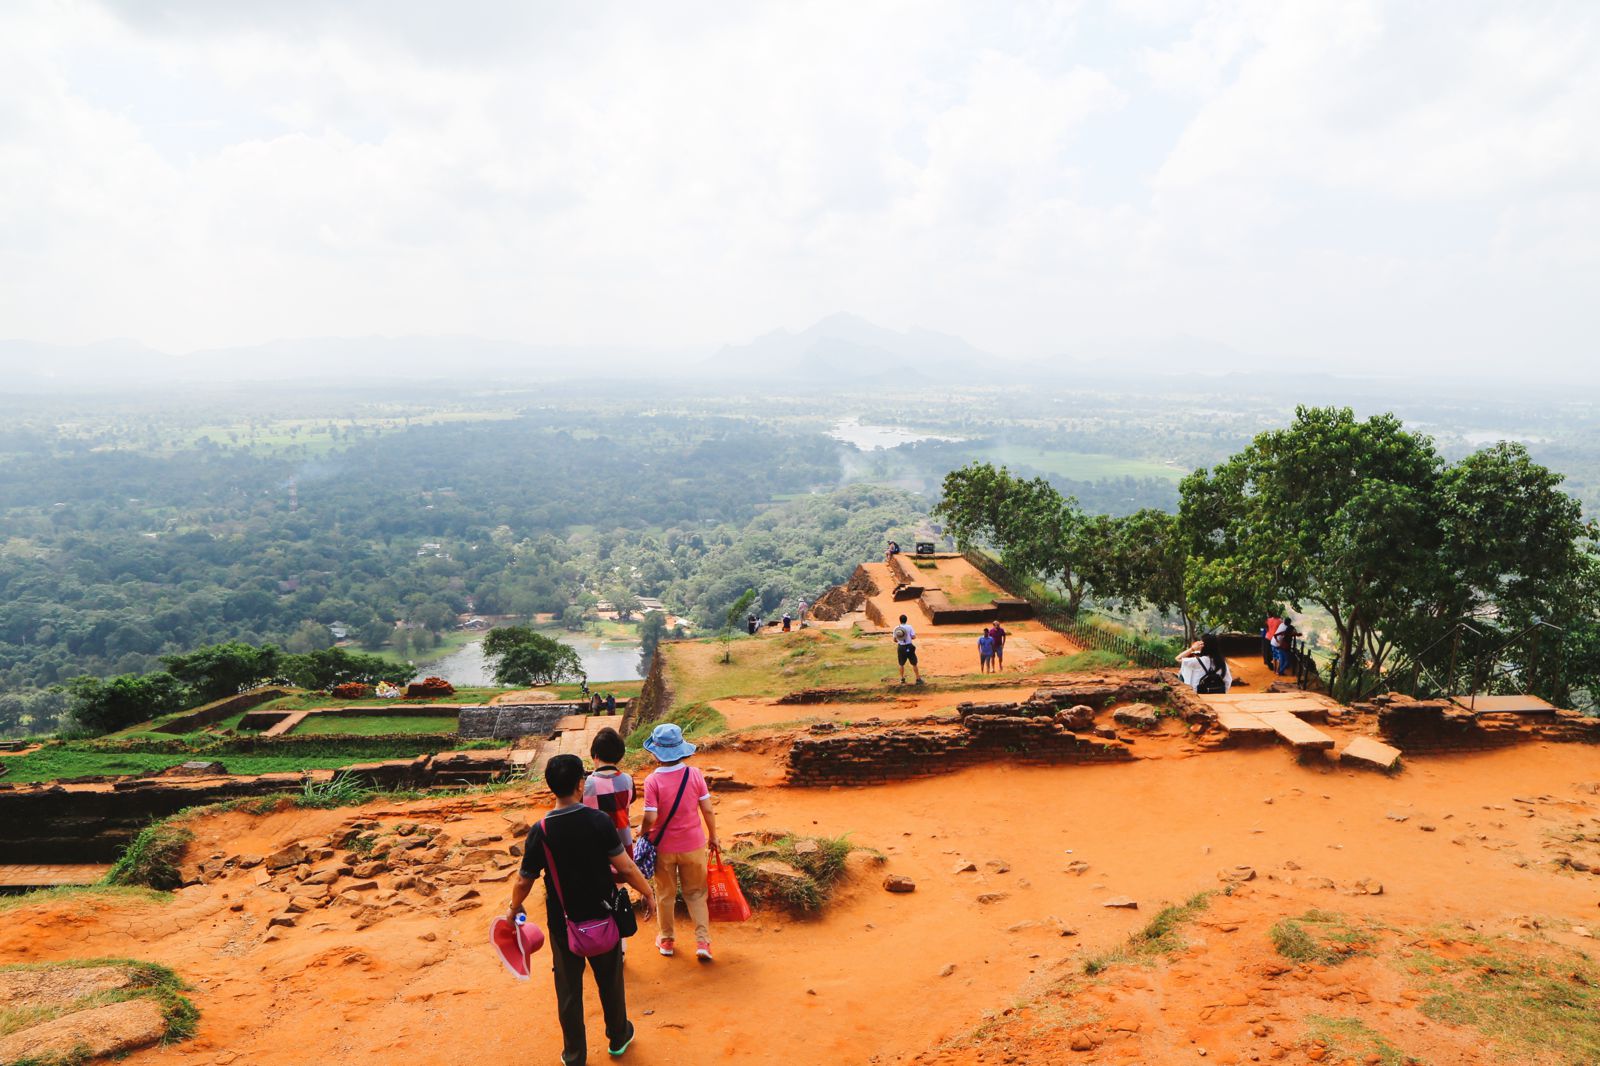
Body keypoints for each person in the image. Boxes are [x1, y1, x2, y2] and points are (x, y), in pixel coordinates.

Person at [509, 753, 656, 1066]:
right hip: (603, 915)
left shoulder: (541, 830)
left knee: (569, 988)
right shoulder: (598, 821)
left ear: (552, 787)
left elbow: (525, 880)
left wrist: (514, 908)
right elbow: (626, 867)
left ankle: (575, 1055)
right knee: (610, 980)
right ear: (580, 784)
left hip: (563, 921)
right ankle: (618, 1037)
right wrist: (648, 892)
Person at [638, 722, 721, 962]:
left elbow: (650, 816)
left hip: (664, 847)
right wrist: (713, 836)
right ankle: (703, 942)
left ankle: (666, 940)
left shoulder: (652, 781)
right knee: (696, 894)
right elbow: (707, 809)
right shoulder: (694, 774)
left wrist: (643, 832)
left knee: (665, 893)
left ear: (655, 752)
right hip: (693, 844)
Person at [892, 613, 923, 685]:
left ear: (900, 620)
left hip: (901, 647)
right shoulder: (909, 627)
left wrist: (899, 640)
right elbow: (914, 637)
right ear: (906, 620)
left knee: (901, 664)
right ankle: (918, 678)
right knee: (914, 663)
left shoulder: (896, 628)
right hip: (909, 646)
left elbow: (894, 640)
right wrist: (910, 637)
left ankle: (902, 679)